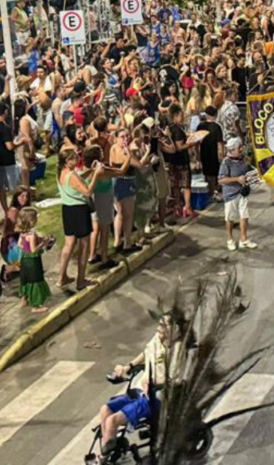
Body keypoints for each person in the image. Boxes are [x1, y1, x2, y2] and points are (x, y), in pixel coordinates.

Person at [99, 316, 170, 458]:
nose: (158, 328)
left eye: (162, 326)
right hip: (138, 390)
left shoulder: (175, 350)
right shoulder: (157, 338)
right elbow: (146, 353)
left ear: (174, 329)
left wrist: (153, 382)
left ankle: (102, 458)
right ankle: (110, 445)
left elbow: (174, 378)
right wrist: (128, 367)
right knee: (105, 409)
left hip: (152, 397)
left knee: (112, 421)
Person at [56, 148, 104, 292]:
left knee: (68, 244)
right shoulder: (72, 176)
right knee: (84, 246)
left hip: (67, 210)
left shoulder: (60, 173)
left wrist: (90, 171)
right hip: (79, 211)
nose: (77, 160)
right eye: (75, 158)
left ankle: (61, 277)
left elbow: (78, 179)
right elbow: (88, 191)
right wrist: (97, 174)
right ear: (67, 161)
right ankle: (81, 280)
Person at [218, 137, 257, 251]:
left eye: (241, 147)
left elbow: (250, 171)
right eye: (239, 147)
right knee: (230, 218)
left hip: (243, 192)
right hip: (230, 195)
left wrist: (253, 176)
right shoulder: (226, 162)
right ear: (232, 149)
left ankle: (243, 239)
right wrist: (237, 179)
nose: (241, 149)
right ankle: (230, 239)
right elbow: (221, 180)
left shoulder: (243, 159)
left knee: (244, 215)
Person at [15, 207, 53, 313]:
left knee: (26, 280)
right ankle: (36, 306)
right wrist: (43, 243)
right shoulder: (31, 235)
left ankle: (24, 299)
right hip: (33, 261)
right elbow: (33, 250)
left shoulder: (23, 233)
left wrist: (26, 249)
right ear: (32, 221)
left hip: (24, 259)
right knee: (35, 280)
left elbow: (19, 245)